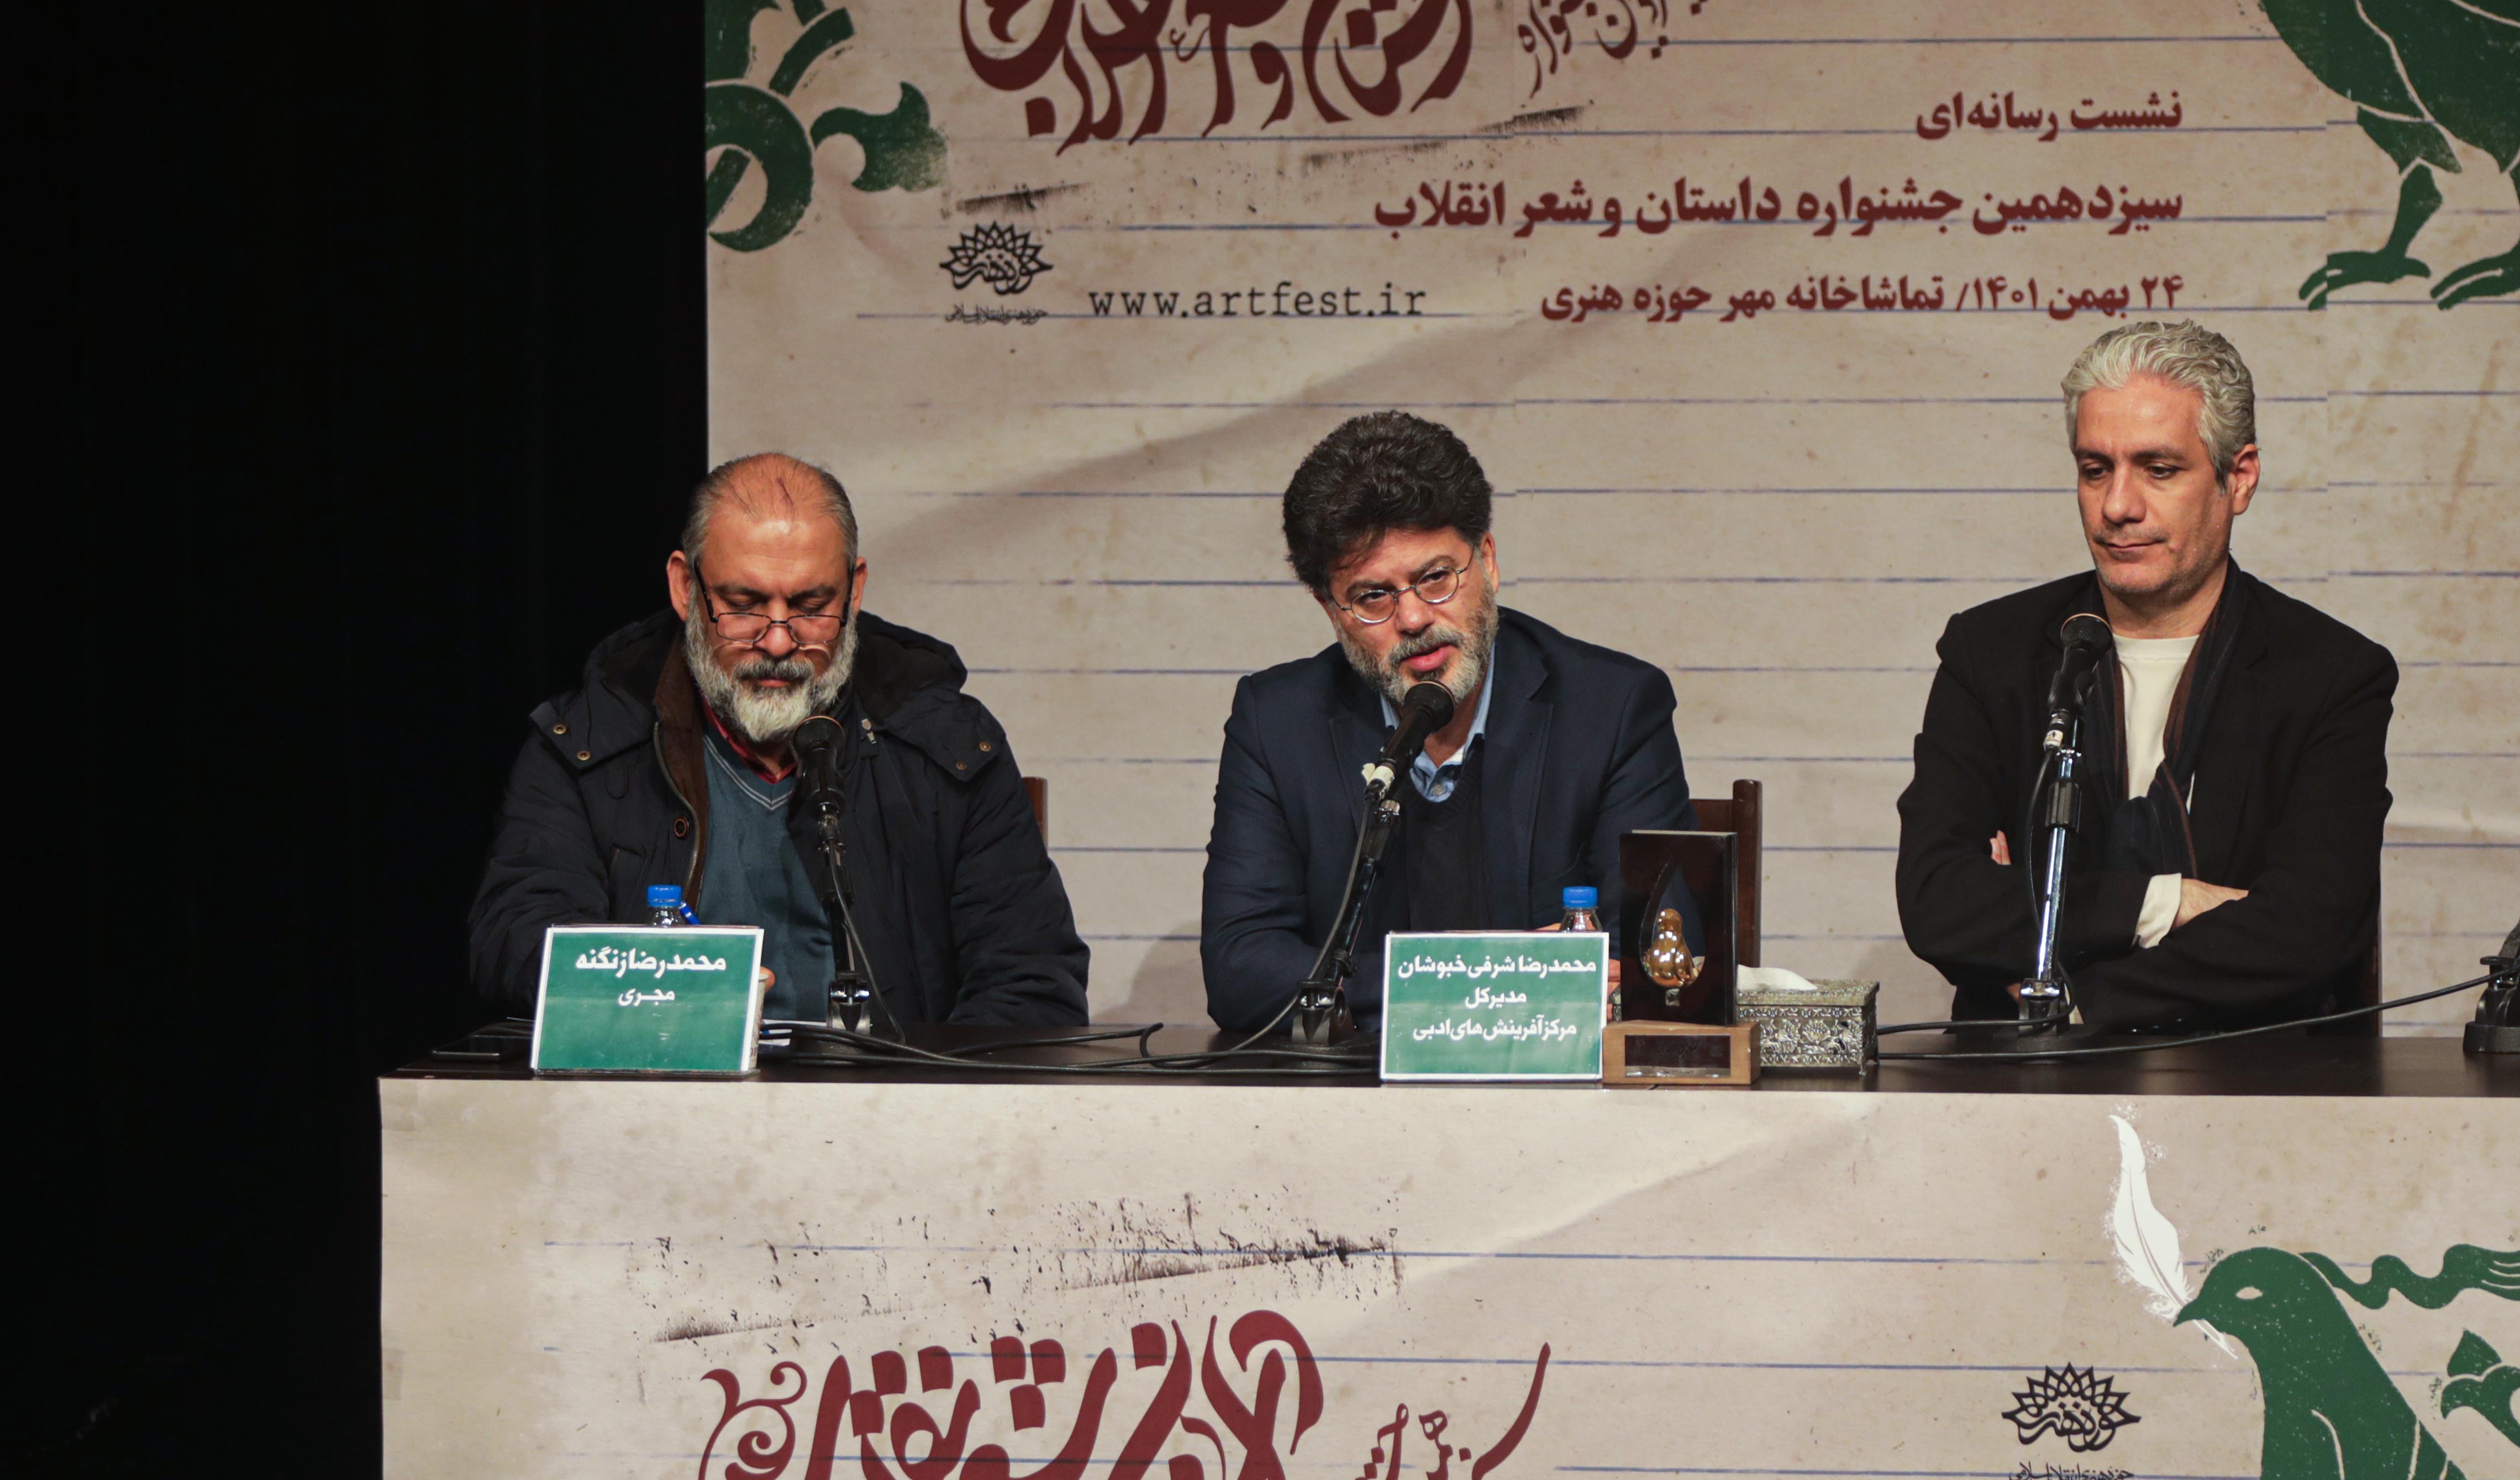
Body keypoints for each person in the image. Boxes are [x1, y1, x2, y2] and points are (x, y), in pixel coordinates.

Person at [468, 453, 1088, 1027]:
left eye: (812, 606)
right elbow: (516, 944)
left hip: (893, 1100)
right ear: (685, 588)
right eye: (743, 605)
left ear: (855, 590)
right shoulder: (587, 744)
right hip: (664, 1091)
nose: (778, 641)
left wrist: (912, 1100)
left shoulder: (950, 746)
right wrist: (687, 992)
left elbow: (1034, 982)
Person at [1896, 322, 2397, 1031]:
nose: (2117, 506)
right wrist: (2172, 903)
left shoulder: (2329, 673)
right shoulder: (1991, 651)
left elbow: (2309, 930)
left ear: (2239, 478)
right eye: (2095, 469)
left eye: (2159, 469)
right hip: (2019, 1076)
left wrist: (2071, 990)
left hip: (2253, 1076)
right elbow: (1940, 902)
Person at [1202, 412, 1695, 1037]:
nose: (1413, 618)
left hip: (1557, 1088)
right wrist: (1482, 984)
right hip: (1352, 1090)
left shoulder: (1611, 708)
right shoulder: (1277, 723)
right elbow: (1241, 969)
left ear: (1486, 561)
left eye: (1435, 577)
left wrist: (1379, 991)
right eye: (1373, 596)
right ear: (1330, 608)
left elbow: (1660, 957)